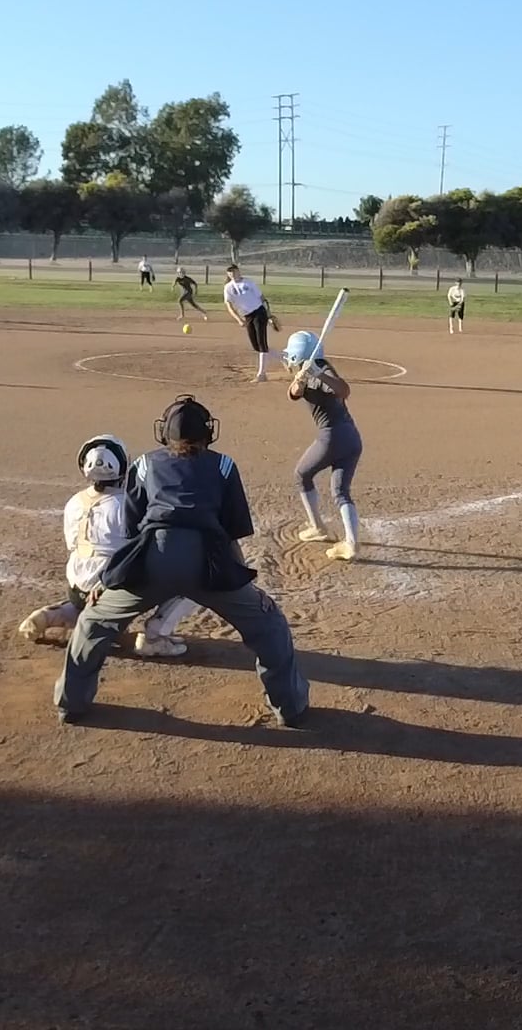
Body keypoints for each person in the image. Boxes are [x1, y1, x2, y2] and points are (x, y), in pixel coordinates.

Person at [54, 395, 308, 727]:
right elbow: (232, 533)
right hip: (209, 563)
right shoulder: (223, 465)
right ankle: (290, 707)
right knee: (269, 625)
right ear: (208, 433)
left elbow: (131, 532)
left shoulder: (144, 464)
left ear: (164, 433)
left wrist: (108, 581)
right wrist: (242, 583)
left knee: (93, 622)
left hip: (152, 560)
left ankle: (71, 704)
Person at [17, 434, 200, 657]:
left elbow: (72, 545)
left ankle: (59, 614)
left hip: (78, 588)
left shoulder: (74, 502)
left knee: (94, 600)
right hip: (110, 588)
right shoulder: (128, 504)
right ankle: (155, 636)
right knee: (195, 576)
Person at [283, 330, 364, 561]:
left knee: (302, 474)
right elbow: (293, 394)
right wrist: (300, 381)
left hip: (332, 437)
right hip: (351, 437)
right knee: (340, 491)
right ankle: (351, 544)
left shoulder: (321, 368)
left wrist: (318, 374)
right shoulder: (305, 371)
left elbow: (344, 391)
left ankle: (318, 527)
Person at [222, 262, 276, 382]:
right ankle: (283, 358)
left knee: (262, 343)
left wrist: (269, 315)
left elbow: (262, 298)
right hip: (247, 316)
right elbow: (229, 306)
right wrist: (239, 319)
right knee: (256, 346)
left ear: (238, 271)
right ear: (228, 274)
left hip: (259, 312)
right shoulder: (228, 287)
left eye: (234, 270)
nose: (232, 273)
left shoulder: (249, 282)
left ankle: (261, 375)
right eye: (230, 271)